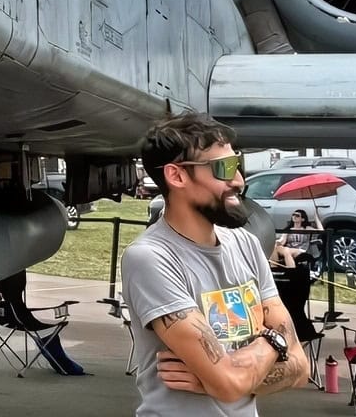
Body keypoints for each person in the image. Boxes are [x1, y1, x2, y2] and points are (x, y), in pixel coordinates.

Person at [121, 113, 306, 414]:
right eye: (225, 168)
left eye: (238, 165)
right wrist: (276, 343)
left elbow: (300, 369)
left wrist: (218, 379)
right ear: (177, 175)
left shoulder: (246, 244)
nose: (239, 181)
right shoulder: (151, 258)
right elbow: (230, 383)